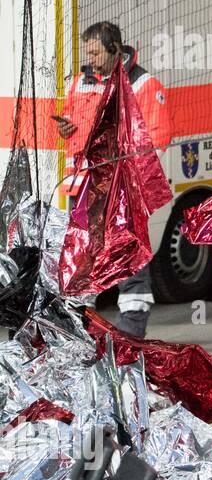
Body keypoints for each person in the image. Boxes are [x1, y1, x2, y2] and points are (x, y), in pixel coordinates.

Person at [56, 21, 172, 338]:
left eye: (95, 52)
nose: (90, 59)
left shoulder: (143, 85)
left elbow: (158, 139)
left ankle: (132, 331)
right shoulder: (80, 82)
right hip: (83, 187)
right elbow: (72, 119)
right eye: (88, 52)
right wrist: (65, 127)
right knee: (82, 253)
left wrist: (128, 182)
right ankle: (80, 326)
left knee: (127, 254)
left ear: (113, 50)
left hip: (120, 190)